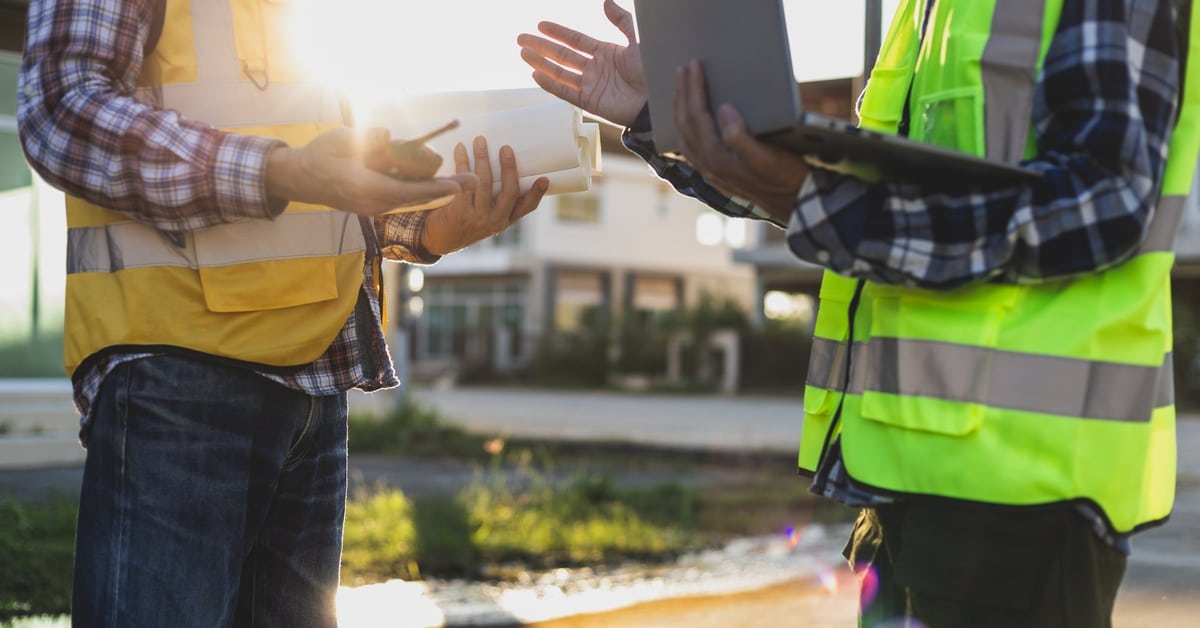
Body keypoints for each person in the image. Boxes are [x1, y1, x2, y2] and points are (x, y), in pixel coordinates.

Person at [520, 0, 1195, 625]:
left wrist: (815, 201)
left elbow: (1103, 203)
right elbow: (859, 197)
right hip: (902, 489)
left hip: (1025, 497)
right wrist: (665, 118)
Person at [18, 0, 548, 625]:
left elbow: (329, 173)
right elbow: (63, 111)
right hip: (178, 370)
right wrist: (280, 170)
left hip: (317, 376)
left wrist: (429, 227)